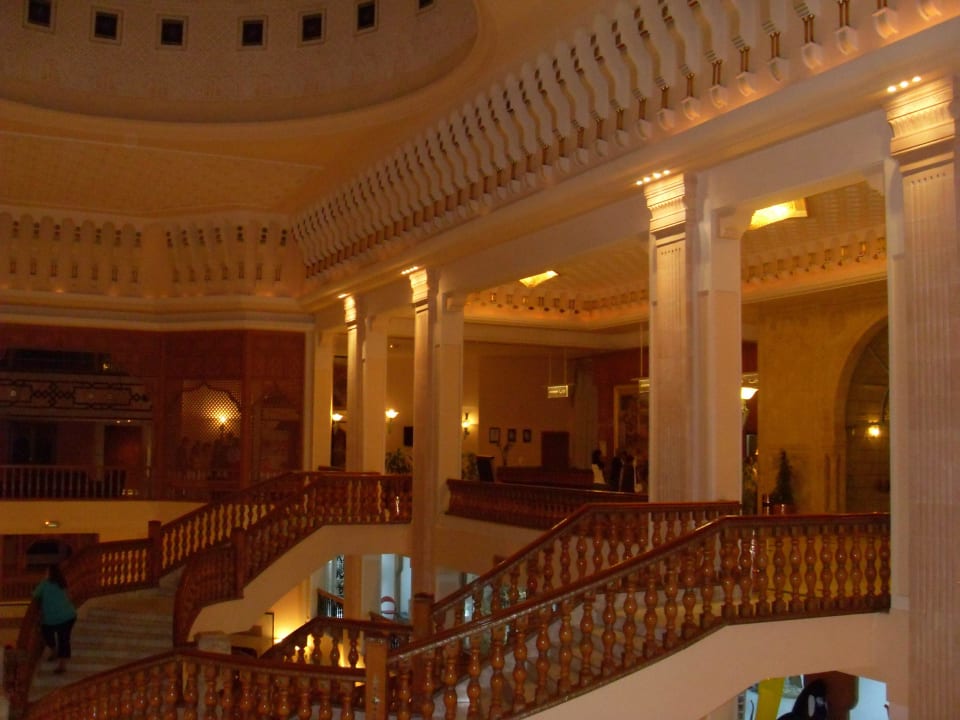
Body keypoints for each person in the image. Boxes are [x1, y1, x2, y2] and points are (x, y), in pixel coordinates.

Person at [32, 563, 77, 674]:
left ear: (50, 573)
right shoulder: (62, 583)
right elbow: (69, 596)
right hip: (68, 616)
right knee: (62, 639)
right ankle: (59, 660)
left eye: (46, 572)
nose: (45, 574)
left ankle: (59, 661)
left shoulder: (45, 584)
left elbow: (34, 594)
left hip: (61, 617)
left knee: (59, 638)